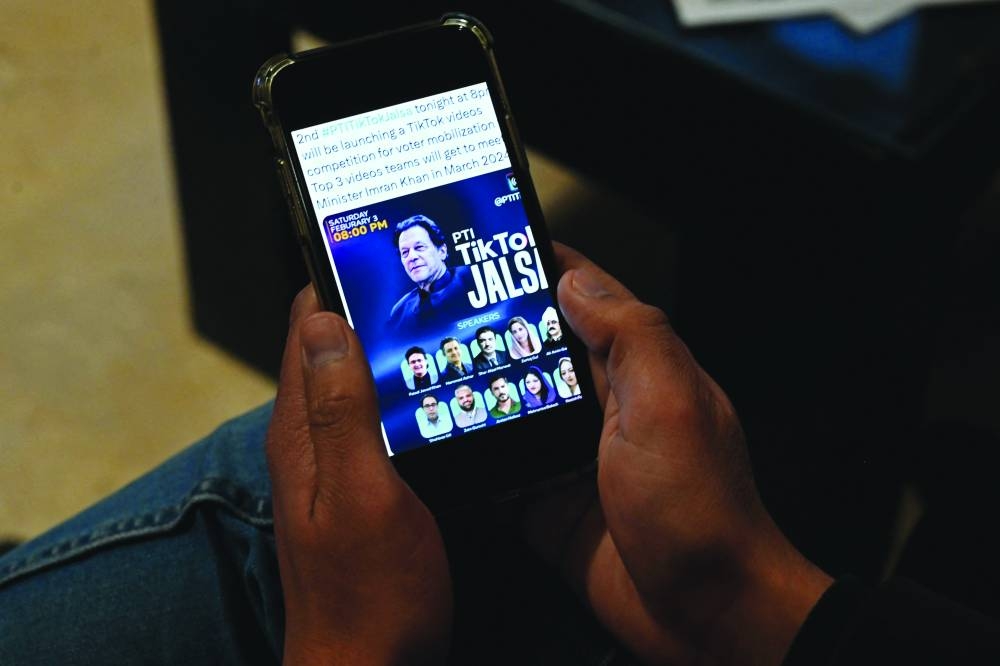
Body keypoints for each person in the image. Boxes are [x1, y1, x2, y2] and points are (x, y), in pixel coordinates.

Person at [2, 243, 999, 665]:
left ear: (445, 249)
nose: (417, 261)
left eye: (426, 250)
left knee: (272, 483)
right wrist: (734, 591)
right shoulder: (402, 309)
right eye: (406, 255)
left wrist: (354, 647)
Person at [387, 214, 474, 332]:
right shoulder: (399, 312)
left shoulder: (473, 277)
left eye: (419, 247)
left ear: (442, 251)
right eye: (405, 252)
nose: (411, 257)